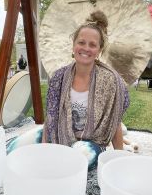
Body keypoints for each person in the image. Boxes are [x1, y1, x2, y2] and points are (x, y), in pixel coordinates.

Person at [42, 10, 130, 168]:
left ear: (99, 50)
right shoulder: (58, 78)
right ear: (73, 45)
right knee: (19, 146)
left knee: (77, 156)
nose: (86, 48)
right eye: (81, 42)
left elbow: (114, 121)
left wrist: (120, 158)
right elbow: (50, 118)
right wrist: (42, 149)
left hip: (90, 144)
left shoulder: (109, 81)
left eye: (92, 45)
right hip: (59, 136)